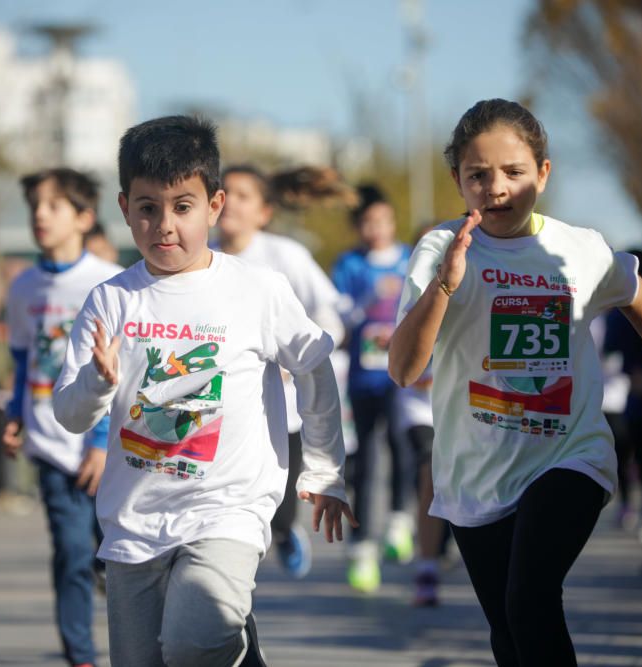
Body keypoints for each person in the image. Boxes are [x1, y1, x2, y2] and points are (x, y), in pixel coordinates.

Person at [389, 98, 642, 667]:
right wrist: (444, 287)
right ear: (458, 180)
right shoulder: (442, 249)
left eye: (514, 172)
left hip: (570, 454)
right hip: (476, 471)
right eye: (478, 175)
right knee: (510, 634)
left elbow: (638, 295)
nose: (496, 187)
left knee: (530, 598)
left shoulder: (577, 248)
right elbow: (403, 369)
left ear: (543, 172)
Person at [52, 115, 356, 667]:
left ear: (214, 205)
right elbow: (69, 415)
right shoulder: (110, 302)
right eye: (148, 208)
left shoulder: (256, 290)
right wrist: (98, 382)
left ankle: (230, 643)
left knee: (197, 641)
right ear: (125, 209)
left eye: (183, 207)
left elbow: (314, 367)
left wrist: (325, 471)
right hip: (133, 522)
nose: (165, 225)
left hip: (227, 510)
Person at [4, 167, 121, 667]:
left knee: (117, 555)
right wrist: (15, 413)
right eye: (34, 206)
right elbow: (21, 359)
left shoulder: (106, 284)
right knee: (71, 552)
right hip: (51, 442)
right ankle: (82, 656)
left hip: (107, 445)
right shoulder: (22, 288)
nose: (39, 215)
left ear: (83, 217)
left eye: (53, 206)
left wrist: (99, 441)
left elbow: (115, 374)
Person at [216, 163, 345, 579]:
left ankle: (286, 530)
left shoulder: (284, 256)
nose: (231, 202)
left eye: (243, 195)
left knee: (279, 505)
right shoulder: (201, 258)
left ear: (264, 212)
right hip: (222, 407)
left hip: (281, 409)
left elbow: (331, 317)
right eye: (225, 192)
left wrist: (296, 358)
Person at [333, 184, 413, 593]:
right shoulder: (349, 265)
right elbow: (339, 315)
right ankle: (362, 549)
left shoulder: (410, 260)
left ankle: (401, 521)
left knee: (403, 444)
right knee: (364, 459)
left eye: (382, 221)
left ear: (392, 222)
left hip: (404, 376)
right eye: (367, 222)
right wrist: (367, 299)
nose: (375, 228)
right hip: (364, 377)